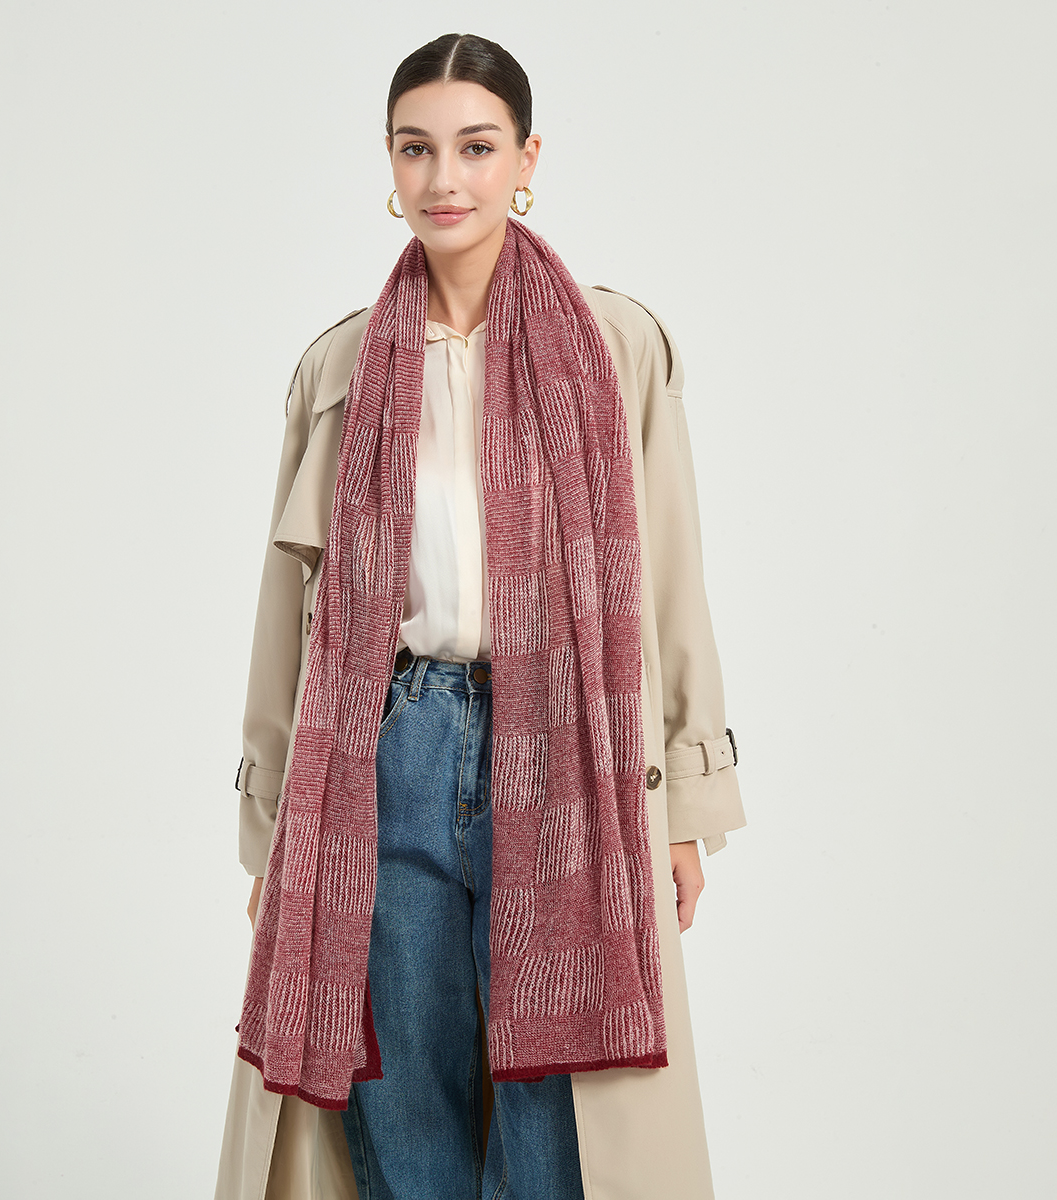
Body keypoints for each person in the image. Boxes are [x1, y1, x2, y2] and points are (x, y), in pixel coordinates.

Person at [214, 32, 745, 1200]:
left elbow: (670, 576)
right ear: (389, 164)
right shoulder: (340, 369)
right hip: (387, 758)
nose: (444, 178)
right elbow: (287, 623)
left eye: (476, 147)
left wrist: (687, 805)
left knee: (556, 1132)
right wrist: (275, 835)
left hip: (566, 759)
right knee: (404, 1117)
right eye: (417, 149)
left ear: (526, 160)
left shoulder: (614, 347)